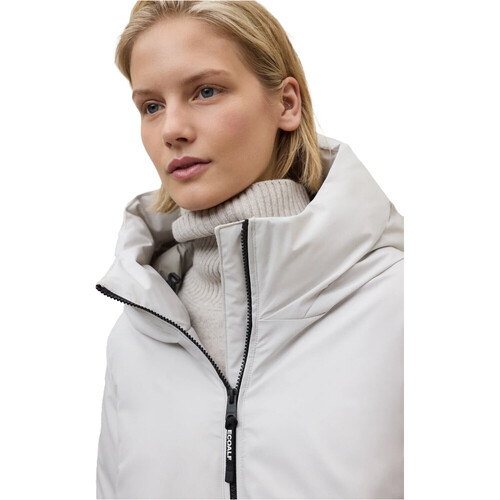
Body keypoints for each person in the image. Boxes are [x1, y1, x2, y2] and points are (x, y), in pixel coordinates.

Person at [96, 1, 404, 498]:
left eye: (206, 91)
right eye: (151, 106)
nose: (171, 129)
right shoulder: (138, 333)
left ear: (287, 104)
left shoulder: (400, 308)